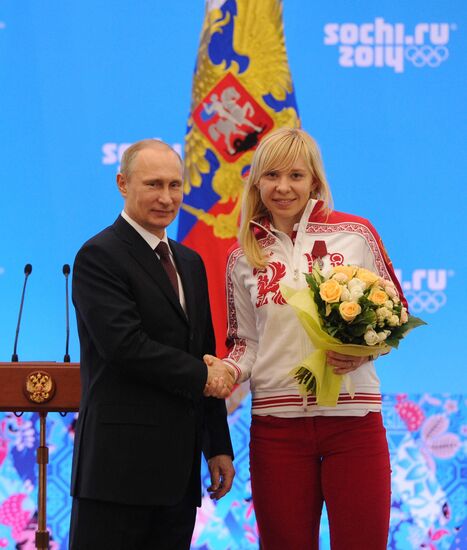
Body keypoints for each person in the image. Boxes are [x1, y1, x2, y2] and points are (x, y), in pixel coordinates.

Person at [205, 128, 407, 549]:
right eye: (272, 175)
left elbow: (396, 316)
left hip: (354, 425)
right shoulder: (242, 256)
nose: (283, 187)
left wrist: (366, 349)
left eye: (295, 175)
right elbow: (246, 345)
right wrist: (225, 369)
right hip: (276, 430)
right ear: (257, 182)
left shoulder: (356, 234)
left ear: (314, 180)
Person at [69, 139, 235, 549]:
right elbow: (125, 346)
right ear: (122, 183)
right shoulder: (99, 255)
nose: (166, 198)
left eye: (175, 186)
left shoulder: (190, 262)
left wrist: (218, 446)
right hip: (116, 473)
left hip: (177, 477)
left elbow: (205, 351)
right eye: (153, 185)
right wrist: (204, 375)